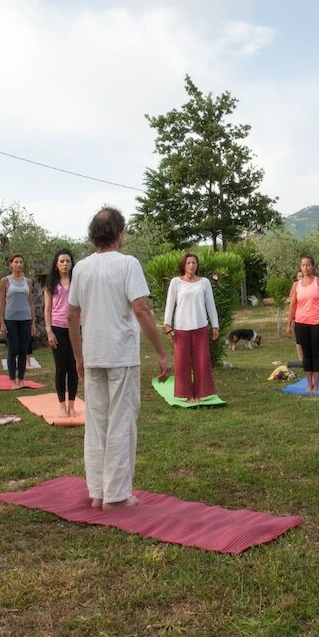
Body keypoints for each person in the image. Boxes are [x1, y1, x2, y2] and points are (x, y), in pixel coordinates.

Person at [68, 207, 171, 510]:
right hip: (121, 354)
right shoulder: (128, 264)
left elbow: (72, 315)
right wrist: (162, 353)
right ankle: (115, 496)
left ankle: (98, 491)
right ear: (118, 233)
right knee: (121, 421)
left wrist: (78, 356)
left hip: (93, 354)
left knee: (97, 422)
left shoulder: (82, 268)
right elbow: (140, 308)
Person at [163, 253, 220, 403]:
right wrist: (168, 325)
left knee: (202, 361)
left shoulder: (204, 282)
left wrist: (215, 325)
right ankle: (187, 394)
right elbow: (170, 305)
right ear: (184, 265)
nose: (191, 265)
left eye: (194, 263)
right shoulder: (176, 282)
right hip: (181, 329)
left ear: (197, 265)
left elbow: (210, 305)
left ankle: (201, 393)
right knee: (182, 363)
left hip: (200, 326)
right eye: (188, 263)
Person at [286, 254, 319, 392]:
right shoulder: (296, 285)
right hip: (301, 323)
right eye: (303, 265)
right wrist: (288, 324)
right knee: (306, 354)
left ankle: (316, 384)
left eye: (308, 265)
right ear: (301, 267)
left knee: (315, 353)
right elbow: (292, 306)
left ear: (313, 266)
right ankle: (309, 384)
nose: (305, 267)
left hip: (317, 322)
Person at [44, 248, 80, 417]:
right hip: (57, 327)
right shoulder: (51, 283)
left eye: (67, 261)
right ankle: (61, 405)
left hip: (75, 327)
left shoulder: (77, 281)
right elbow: (47, 309)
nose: (65, 264)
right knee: (61, 368)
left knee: (74, 367)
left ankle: (72, 405)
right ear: (56, 265)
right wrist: (49, 331)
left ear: (72, 264)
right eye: (62, 261)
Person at [0, 253, 35, 389]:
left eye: (21, 262)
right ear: (11, 264)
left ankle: (21, 379)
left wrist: (33, 323)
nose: (19, 264)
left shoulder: (28, 281)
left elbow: (30, 302)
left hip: (26, 318)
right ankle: (12, 380)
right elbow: (1, 302)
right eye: (16, 262)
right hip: (10, 319)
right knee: (13, 348)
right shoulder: (5, 281)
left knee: (23, 349)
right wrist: (2, 322)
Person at [289, 270, 304, 362]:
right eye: (299, 276)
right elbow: (292, 305)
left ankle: (308, 359)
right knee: (299, 340)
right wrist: (292, 319)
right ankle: (301, 359)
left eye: (302, 276)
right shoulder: (295, 287)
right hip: (297, 317)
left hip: (308, 318)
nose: (301, 278)